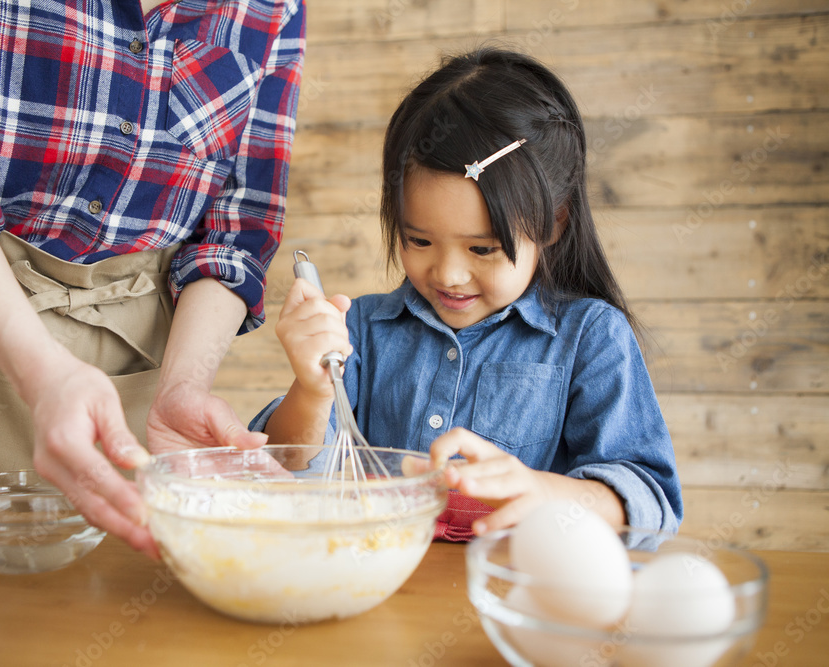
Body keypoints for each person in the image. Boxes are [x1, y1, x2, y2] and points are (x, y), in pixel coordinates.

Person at [0, 0, 305, 558]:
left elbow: (235, 232)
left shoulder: (276, 9)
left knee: (123, 611)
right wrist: (43, 374)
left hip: (149, 374)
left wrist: (182, 390)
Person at [251, 48, 682, 539]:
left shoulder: (589, 337)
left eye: (483, 248)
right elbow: (281, 473)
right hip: (382, 594)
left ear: (554, 222)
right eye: (419, 241)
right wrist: (311, 392)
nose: (449, 274)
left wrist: (546, 493)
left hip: (519, 594)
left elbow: (650, 495)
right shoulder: (361, 333)